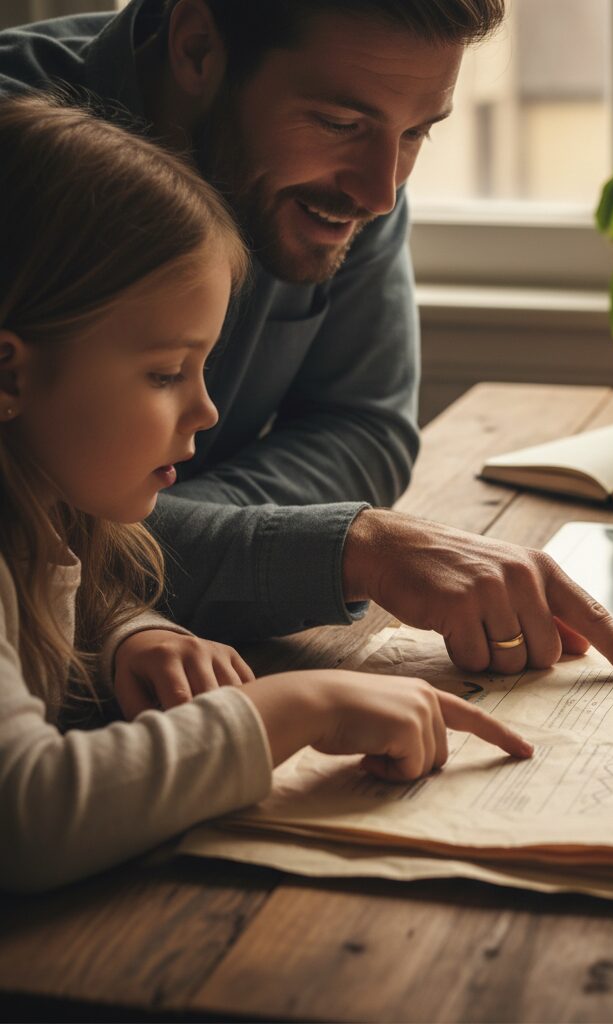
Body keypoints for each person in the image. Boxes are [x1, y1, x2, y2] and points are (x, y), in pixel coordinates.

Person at [0, 0, 613, 684]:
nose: (381, 194)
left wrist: (140, 584)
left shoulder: (346, 184)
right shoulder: (23, 157)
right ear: (197, 47)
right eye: (341, 123)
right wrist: (343, 550)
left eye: (416, 134)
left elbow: (364, 426)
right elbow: (16, 524)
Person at [0, 94, 532, 893]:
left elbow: (66, 574)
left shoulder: (40, 506)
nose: (206, 410)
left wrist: (126, 635)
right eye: (164, 373)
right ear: (10, 372)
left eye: (204, 367)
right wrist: (297, 707)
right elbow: (26, 820)